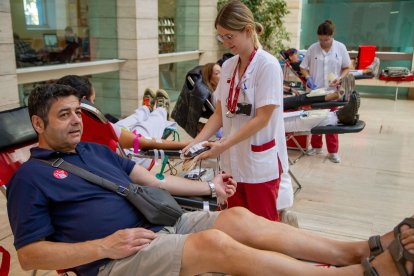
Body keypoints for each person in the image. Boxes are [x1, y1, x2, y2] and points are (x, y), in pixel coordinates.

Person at [7, 83, 414, 276]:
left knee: (236, 219)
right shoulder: (30, 178)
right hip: (115, 257)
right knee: (216, 243)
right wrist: (104, 245)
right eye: (65, 115)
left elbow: (156, 184)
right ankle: (347, 275)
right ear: (39, 124)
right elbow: (30, 256)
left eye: (78, 111)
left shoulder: (95, 151)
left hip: (161, 220)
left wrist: (210, 189)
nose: (77, 120)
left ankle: (356, 248)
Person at [183, 1, 288, 221]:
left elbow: (262, 118)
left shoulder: (267, 66)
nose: (225, 42)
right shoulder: (229, 66)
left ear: (248, 30)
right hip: (232, 164)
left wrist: (223, 144)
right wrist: (196, 143)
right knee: (234, 224)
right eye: (222, 37)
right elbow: (219, 115)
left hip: (259, 164)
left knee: (263, 230)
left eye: (230, 36)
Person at [55, 75, 188, 168]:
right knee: (143, 129)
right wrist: (185, 145)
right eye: (93, 100)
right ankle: (161, 111)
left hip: (111, 148)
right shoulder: (97, 126)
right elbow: (144, 142)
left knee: (122, 124)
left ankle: (146, 109)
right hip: (133, 156)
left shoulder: (56, 125)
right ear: (84, 101)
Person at [300, 20, 351, 164]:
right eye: (320, 39)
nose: (323, 42)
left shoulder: (340, 48)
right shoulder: (313, 48)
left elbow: (347, 67)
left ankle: (333, 152)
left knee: (331, 121)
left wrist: (340, 78)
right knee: (315, 119)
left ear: (332, 35)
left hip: (332, 92)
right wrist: (308, 77)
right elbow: (303, 67)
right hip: (316, 92)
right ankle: (316, 147)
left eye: (326, 39)